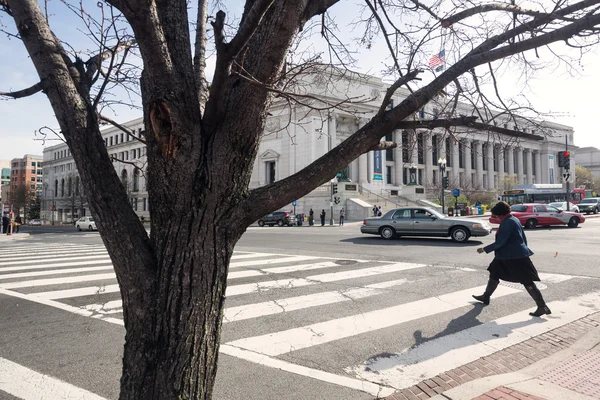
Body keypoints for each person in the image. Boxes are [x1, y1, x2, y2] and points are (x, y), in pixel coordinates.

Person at [474, 201, 551, 317]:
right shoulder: (514, 219)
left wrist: (485, 249)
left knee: (527, 281)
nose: (496, 217)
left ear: (500, 214)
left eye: (496, 215)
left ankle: (542, 306)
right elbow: (523, 238)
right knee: (494, 273)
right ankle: (486, 296)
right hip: (508, 255)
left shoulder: (507, 223)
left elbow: (500, 242)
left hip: (513, 256)